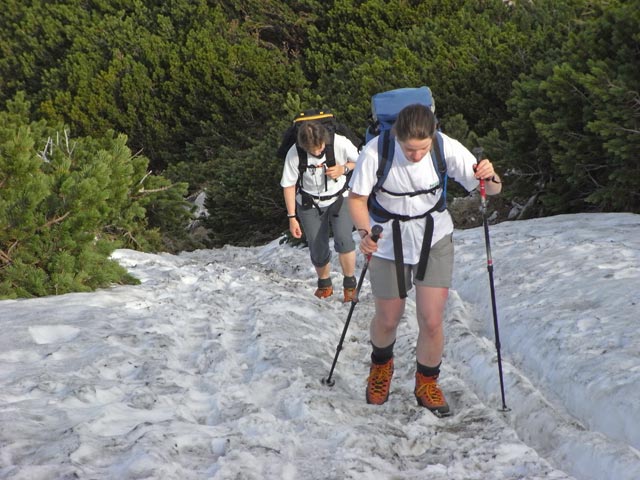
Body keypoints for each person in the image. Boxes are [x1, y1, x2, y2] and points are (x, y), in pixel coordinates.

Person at [348, 104, 502, 415]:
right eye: (409, 149)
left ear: (433, 137)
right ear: (397, 137)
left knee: (431, 320)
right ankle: (381, 368)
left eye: (423, 148)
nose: (416, 155)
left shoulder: (446, 147)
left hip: (435, 238)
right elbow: (357, 199)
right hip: (387, 242)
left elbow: (491, 189)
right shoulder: (377, 151)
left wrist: (490, 174)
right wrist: (365, 232)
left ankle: (427, 382)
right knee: (388, 318)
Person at [281, 121, 360, 302]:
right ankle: (324, 285)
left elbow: (361, 160)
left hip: (340, 197)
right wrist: (292, 217)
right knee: (317, 245)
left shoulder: (339, 142)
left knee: (344, 240)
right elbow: (288, 185)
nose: (317, 152)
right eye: (311, 149)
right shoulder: (294, 153)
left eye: (320, 147)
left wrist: (343, 168)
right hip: (309, 202)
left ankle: (350, 286)